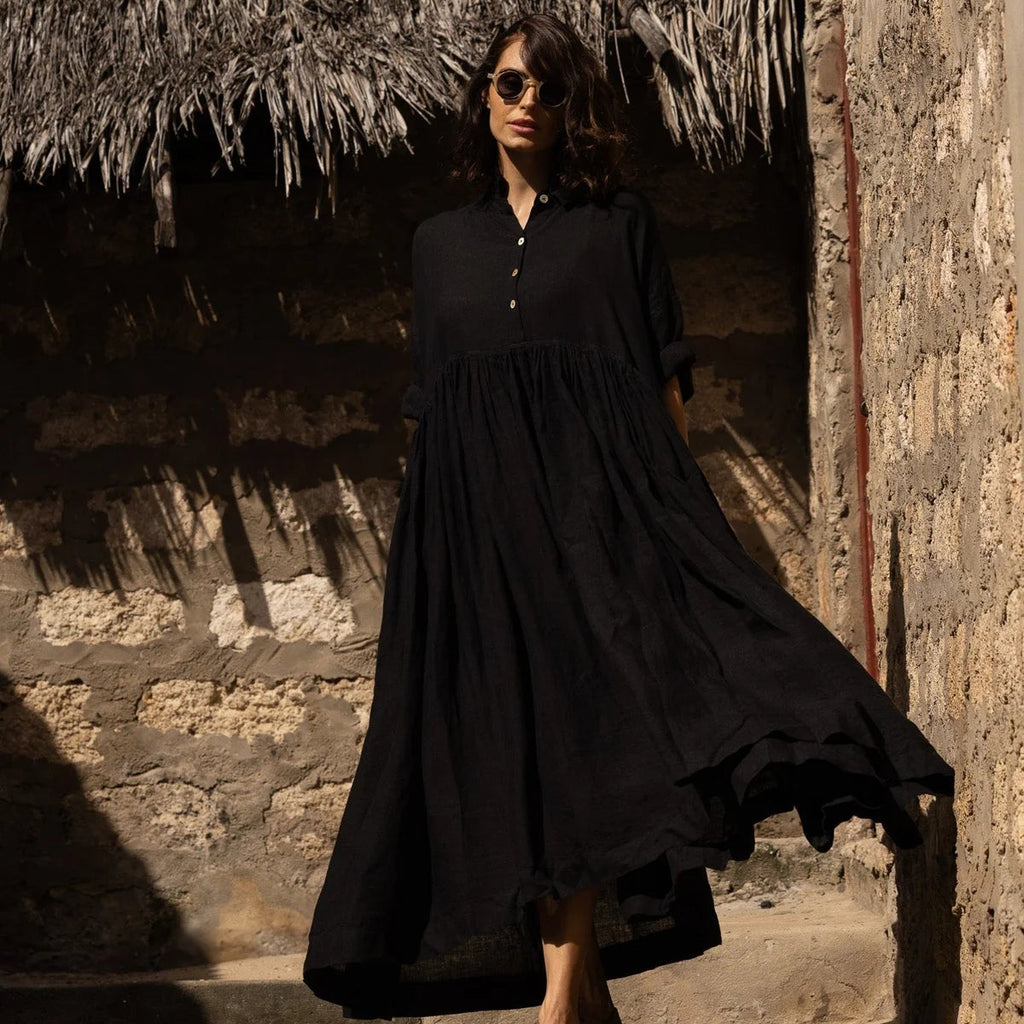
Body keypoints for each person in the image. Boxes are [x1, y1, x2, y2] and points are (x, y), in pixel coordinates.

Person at [304, 12, 955, 1023]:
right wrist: (434, 570)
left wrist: (665, 539)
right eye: (513, 84)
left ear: (575, 110)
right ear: (484, 94)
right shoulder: (440, 247)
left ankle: (562, 1003)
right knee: (532, 758)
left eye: (551, 91)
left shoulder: (619, 225)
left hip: (599, 528)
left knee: (602, 747)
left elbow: (663, 398)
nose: (529, 105)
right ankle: (577, 999)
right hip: (481, 546)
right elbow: (432, 415)